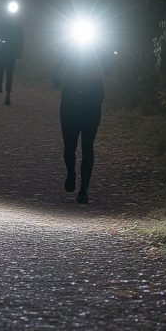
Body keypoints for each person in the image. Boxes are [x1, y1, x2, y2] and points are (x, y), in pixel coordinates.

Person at [53, 29, 111, 204]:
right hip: (70, 105)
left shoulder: (100, 49)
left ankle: (84, 189)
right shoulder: (68, 48)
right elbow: (56, 69)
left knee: (87, 146)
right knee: (69, 146)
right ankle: (71, 173)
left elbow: (109, 67)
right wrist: (56, 74)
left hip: (91, 105)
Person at [0, 0, 25, 104]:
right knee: (0, 70)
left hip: (11, 51)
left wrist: (19, 51)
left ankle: (8, 94)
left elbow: (21, 38)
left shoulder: (17, 23)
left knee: (9, 74)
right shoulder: (2, 21)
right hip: (2, 50)